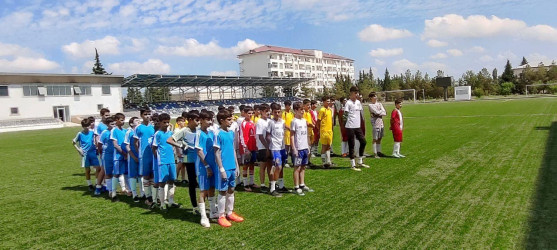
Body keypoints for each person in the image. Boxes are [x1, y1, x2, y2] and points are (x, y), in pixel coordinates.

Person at [214, 110, 244, 227]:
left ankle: (230, 212)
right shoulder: (218, 134)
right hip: (224, 167)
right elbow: (216, 153)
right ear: (221, 121)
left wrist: (236, 166)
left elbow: (232, 150)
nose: (231, 122)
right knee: (223, 190)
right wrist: (221, 169)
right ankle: (221, 215)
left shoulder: (231, 133)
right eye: (229, 120)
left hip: (232, 166)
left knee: (232, 189)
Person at [171, 111, 200, 213]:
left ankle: (204, 203)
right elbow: (170, 140)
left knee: (201, 182)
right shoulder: (184, 130)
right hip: (189, 160)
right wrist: (181, 145)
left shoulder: (198, 130)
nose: (198, 122)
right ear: (190, 120)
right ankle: (194, 206)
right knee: (192, 183)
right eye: (197, 120)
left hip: (199, 159)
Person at [194, 111, 218, 227]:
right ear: (201, 120)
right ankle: (203, 217)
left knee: (212, 188)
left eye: (211, 119)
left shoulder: (211, 133)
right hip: (202, 166)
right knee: (203, 190)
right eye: (207, 119)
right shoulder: (199, 134)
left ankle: (213, 211)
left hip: (212, 165)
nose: (210, 122)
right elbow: (199, 150)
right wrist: (207, 166)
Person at [153, 113, 181, 212]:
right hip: (163, 161)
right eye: (164, 122)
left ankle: (171, 201)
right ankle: (162, 204)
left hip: (171, 160)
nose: (166, 124)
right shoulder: (158, 134)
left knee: (171, 180)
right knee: (162, 182)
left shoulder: (170, 133)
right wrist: (159, 159)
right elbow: (154, 148)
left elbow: (175, 145)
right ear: (160, 123)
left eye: (168, 122)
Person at [290, 102, 314, 195]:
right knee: (297, 167)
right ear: (296, 110)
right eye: (301, 110)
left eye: (303, 109)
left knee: (303, 166)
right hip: (298, 148)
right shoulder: (294, 121)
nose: (303, 111)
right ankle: (296, 186)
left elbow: (306, 134)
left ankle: (302, 184)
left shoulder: (304, 120)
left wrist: (308, 145)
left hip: (304, 147)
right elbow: (292, 135)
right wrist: (294, 148)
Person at [133, 108, 156, 206]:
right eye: (145, 114)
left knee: (153, 175)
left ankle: (154, 197)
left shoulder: (153, 127)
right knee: (146, 175)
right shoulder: (138, 128)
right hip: (144, 155)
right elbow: (135, 142)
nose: (147, 116)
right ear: (141, 115)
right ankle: (148, 196)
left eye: (149, 114)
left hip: (153, 155)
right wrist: (139, 153)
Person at [343, 86, 369, 171]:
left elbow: (361, 114)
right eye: (355, 93)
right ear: (351, 93)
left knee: (363, 141)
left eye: (357, 92)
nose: (357, 94)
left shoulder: (358, 102)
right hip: (350, 126)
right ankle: (352, 164)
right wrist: (345, 124)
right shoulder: (348, 103)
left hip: (357, 126)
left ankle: (360, 161)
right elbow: (345, 115)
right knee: (352, 145)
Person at [72, 118, 100, 193]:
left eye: (88, 125)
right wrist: (78, 150)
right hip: (85, 154)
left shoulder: (92, 132)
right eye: (85, 126)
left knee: (98, 168)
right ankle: (90, 184)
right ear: (82, 126)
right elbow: (73, 142)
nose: (87, 127)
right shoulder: (80, 134)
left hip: (93, 152)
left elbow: (97, 138)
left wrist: (97, 147)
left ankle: (97, 183)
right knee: (88, 170)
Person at [267, 103, 287, 197]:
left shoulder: (282, 122)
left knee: (281, 166)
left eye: (279, 112)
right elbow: (267, 135)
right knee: (277, 167)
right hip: (275, 148)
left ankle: (281, 185)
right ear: (272, 112)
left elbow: (286, 130)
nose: (277, 114)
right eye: (275, 112)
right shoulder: (270, 122)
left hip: (282, 147)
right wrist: (268, 146)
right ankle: (272, 188)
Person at [110, 113, 129, 201]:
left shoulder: (125, 131)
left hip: (126, 156)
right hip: (118, 156)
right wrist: (124, 154)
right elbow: (115, 145)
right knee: (116, 174)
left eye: (123, 120)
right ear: (116, 120)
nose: (123, 122)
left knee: (126, 173)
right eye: (121, 120)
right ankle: (113, 193)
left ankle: (128, 190)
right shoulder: (114, 130)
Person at [98, 117, 117, 201]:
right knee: (108, 173)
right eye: (111, 124)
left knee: (116, 173)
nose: (113, 126)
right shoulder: (105, 133)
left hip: (116, 154)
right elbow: (99, 144)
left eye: (114, 124)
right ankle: (110, 190)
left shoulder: (116, 131)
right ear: (107, 125)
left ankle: (115, 189)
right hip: (107, 155)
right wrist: (101, 154)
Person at [241, 106, 258, 191]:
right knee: (246, 165)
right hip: (247, 148)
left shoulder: (252, 122)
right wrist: (245, 147)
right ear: (245, 113)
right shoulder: (244, 123)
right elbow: (243, 136)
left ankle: (251, 182)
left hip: (253, 147)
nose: (250, 115)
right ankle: (245, 184)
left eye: (252, 113)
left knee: (252, 164)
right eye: (249, 113)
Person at [124, 116, 142, 201]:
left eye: (139, 120)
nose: (138, 121)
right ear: (131, 124)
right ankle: (134, 194)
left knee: (141, 174)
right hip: (132, 156)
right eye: (136, 120)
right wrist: (133, 156)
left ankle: (142, 193)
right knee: (133, 175)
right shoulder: (129, 132)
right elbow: (127, 146)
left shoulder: (140, 130)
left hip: (141, 155)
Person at [256, 104, 271, 192]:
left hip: (270, 146)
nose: (267, 113)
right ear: (261, 112)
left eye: (268, 111)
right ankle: (262, 184)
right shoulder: (259, 122)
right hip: (263, 147)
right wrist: (267, 147)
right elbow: (260, 136)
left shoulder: (269, 121)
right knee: (263, 166)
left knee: (270, 165)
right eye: (265, 111)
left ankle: (270, 182)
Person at [368, 92, 387, 158]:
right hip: (375, 123)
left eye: (375, 96)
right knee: (375, 138)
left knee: (380, 138)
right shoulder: (370, 105)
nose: (375, 97)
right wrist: (379, 112)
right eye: (374, 96)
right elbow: (375, 112)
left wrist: (379, 113)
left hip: (381, 123)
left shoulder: (380, 104)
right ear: (371, 98)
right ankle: (375, 153)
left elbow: (384, 112)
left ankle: (379, 151)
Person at [318, 96, 334, 168]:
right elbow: (318, 121)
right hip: (324, 131)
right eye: (327, 101)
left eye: (329, 101)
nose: (328, 102)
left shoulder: (330, 110)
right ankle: (324, 163)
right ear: (323, 102)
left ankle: (329, 161)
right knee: (324, 146)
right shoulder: (322, 110)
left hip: (329, 131)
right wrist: (319, 129)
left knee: (329, 146)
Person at [173, 116, 187, 185]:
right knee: (179, 164)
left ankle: (183, 178)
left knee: (183, 165)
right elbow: (175, 141)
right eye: (182, 121)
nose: (184, 123)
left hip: (183, 149)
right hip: (179, 149)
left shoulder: (183, 129)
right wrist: (178, 151)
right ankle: (175, 178)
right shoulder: (176, 130)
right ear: (178, 122)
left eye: (184, 121)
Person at [302, 99, 315, 167]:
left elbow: (311, 120)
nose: (309, 106)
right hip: (306, 132)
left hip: (311, 131)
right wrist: (313, 125)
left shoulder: (309, 112)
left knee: (310, 147)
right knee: (307, 147)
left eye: (310, 105)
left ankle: (308, 161)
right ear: (304, 106)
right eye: (307, 105)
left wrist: (314, 123)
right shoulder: (303, 113)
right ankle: (305, 162)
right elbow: (306, 122)